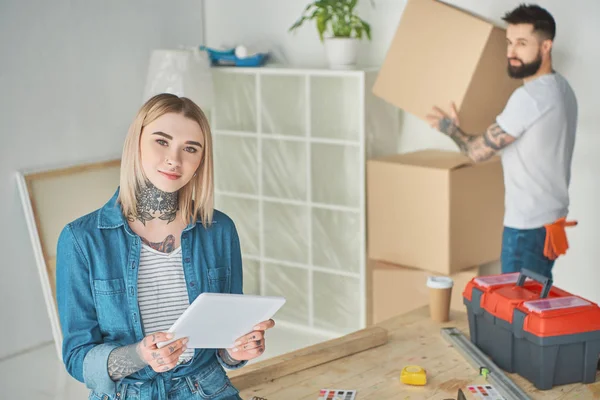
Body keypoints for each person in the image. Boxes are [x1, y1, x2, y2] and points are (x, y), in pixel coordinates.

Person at [56, 93, 275, 400]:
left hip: (207, 389)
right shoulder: (81, 240)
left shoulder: (219, 229)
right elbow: (77, 357)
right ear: (136, 142)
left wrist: (238, 347)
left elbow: (225, 348)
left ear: (201, 160)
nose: (175, 159)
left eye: (190, 148)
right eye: (162, 141)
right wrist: (140, 356)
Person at [425, 4, 578, 280]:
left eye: (521, 43)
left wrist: (450, 130)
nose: (511, 53)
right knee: (532, 308)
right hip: (550, 224)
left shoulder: (529, 98)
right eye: (509, 42)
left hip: (527, 229)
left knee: (517, 313)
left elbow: (477, 152)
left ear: (546, 47)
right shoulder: (563, 89)